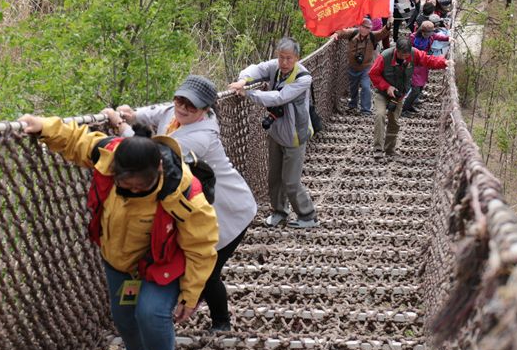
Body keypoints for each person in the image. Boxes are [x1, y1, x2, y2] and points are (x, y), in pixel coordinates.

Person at [17, 114, 219, 350]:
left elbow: (201, 245)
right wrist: (44, 127)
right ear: (115, 172)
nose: (134, 190)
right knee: (123, 316)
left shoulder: (183, 192)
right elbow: (78, 140)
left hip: (160, 265)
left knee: (151, 314)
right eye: (127, 186)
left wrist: (191, 294)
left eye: (142, 186)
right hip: (118, 261)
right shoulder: (109, 156)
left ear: (159, 169)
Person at [106, 75, 256, 332]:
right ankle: (196, 307)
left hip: (230, 211)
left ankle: (221, 323)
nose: (183, 108)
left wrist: (120, 126)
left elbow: (150, 158)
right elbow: (156, 113)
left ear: (206, 110)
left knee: (207, 270)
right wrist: (132, 115)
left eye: (192, 106)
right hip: (203, 208)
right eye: (181, 100)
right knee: (201, 268)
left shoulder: (200, 137)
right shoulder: (174, 112)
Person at [228, 37, 318, 228]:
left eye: (289, 59)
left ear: (297, 58)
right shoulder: (275, 67)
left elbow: (279, 97)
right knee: (274, 177)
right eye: (281, 58)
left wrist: (249, 93)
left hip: (294, 135)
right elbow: (256, 69)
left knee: (291, 181)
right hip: (276, 132)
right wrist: (243, 80)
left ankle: (308, 215)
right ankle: (279, 212)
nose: (284, 63)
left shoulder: (304, 78)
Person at [368, 37, 451, 158]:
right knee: (379, 115)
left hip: (398, 95)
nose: (404, 58)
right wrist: (387, 87)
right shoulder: (385, 56)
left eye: (407, 55)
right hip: (382, 92)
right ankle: (378, 149)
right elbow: (373, 73)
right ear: (396, 50)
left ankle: (390, 149)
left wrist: (444, 63)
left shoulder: (414, 53)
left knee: (394, 122)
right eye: (402, 55)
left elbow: (427, 60)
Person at [404, 20, 450, 117]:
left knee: (421, 86)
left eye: (431, 32)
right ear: (422, 31)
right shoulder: (413, 38)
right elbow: (406, 50)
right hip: (413, 64)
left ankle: (410, 105)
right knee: (415, 88)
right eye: (427, 33)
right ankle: (404, 109)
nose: (429, 35)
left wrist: (448, 38)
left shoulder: (431, 36)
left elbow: (438, 37)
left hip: (423, 63)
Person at [337, 18, 375, 115]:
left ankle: (365, 109)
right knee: (353, 87)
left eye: (368, 28)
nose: (366, 30)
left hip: (366, 67)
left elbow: (383, 32)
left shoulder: (372, 36)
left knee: (366, 87)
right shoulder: (353, 33)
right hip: (353, 67)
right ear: (360, 26)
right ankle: (353, 104)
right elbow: (342, 32)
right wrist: (336, 34)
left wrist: (389, 24)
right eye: (364, 27)